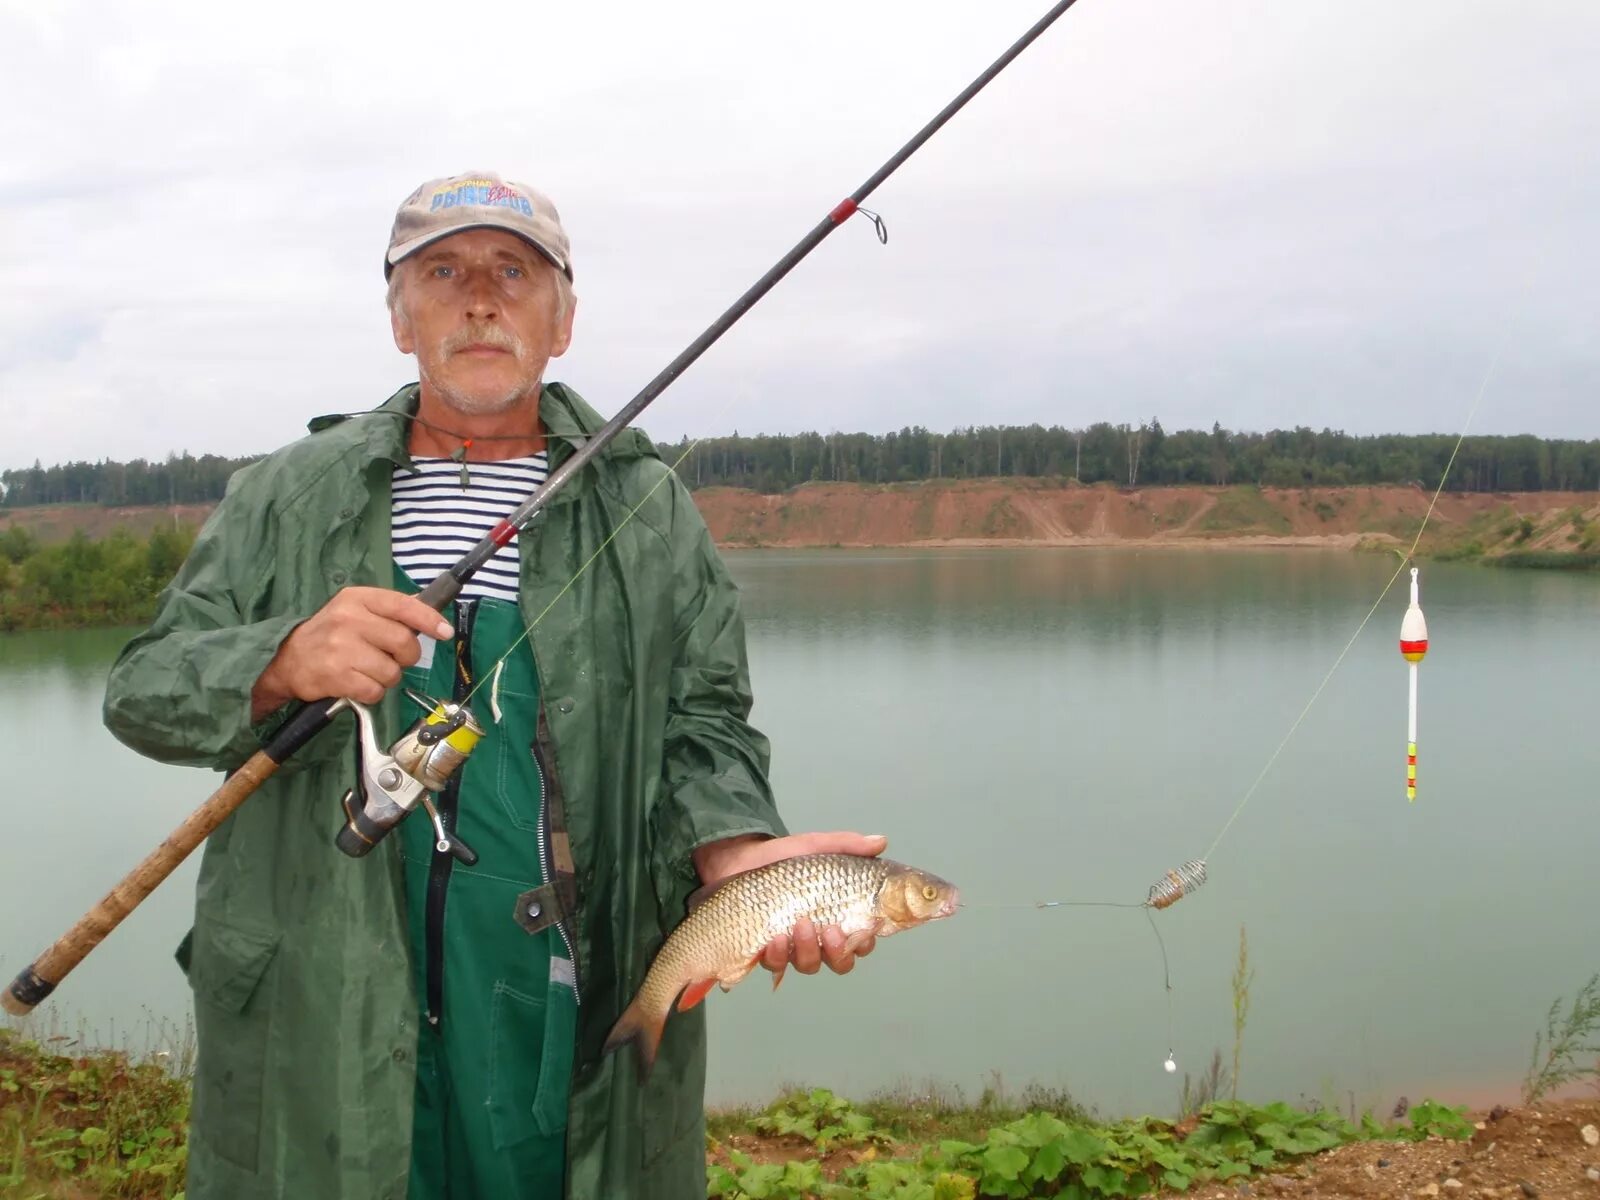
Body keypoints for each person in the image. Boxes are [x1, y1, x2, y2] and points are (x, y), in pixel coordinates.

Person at [102, 171, 884, 1200]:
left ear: (561, 320)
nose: (479, 298)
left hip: (565, 996)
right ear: (397, 317)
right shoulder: (280, 496)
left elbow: (708, 723)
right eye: (442, 272)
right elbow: (141, 689)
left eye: (513, 272)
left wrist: (732, 850)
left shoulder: (647, 508)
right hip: (323, 1000)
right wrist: (276, 662)